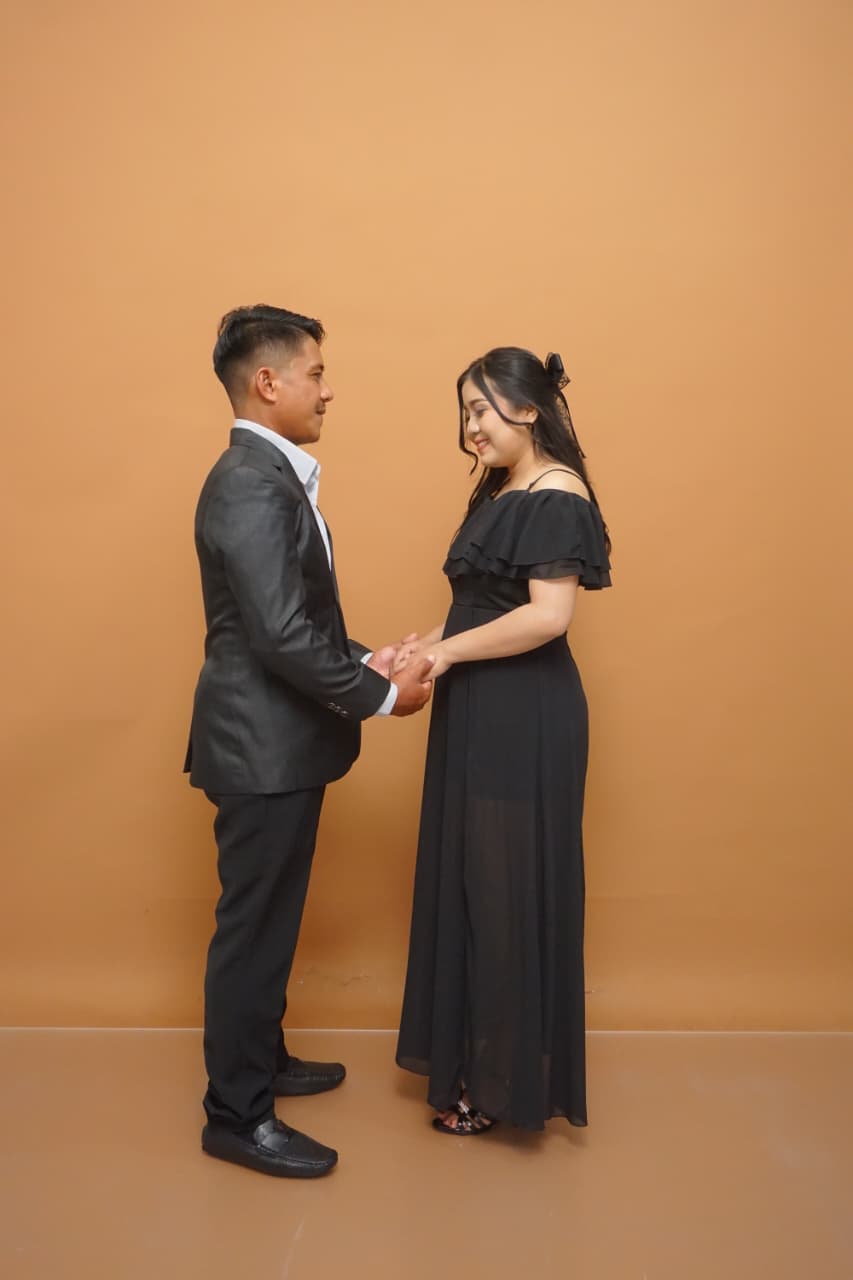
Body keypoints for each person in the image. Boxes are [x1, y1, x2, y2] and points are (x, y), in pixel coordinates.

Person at [184, 304, 433, 1178]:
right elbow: (280, 636)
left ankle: (263, 1060)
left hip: (277, 746)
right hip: (260, 751)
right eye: (316, 373)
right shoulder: (250, 482)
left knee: (269, 924)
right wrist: (382, 696)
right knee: (252, 934)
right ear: (268, 382)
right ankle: (236, 1116)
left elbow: (293, 622)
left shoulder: (265, 475)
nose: (328, 391)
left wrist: (366, 659)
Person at [396, 346, 611, 1134]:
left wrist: (446, 655)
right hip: (480, 710)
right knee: (473, 885)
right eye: (464, 413)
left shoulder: (555, 493)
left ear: (526, 408)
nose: (470, 428)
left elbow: (548, 616)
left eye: (480, 410)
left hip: (523, 717)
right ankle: (475, 1069)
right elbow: (483, 605)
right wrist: (423, 645)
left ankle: (504, 1085)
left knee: (504, 891)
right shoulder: (503, 488)